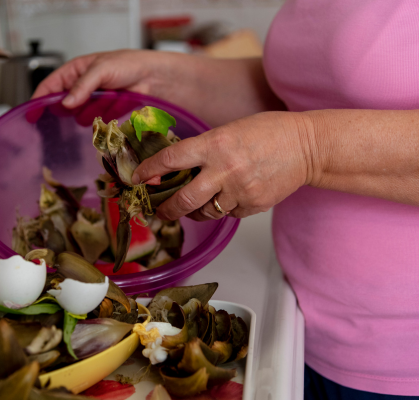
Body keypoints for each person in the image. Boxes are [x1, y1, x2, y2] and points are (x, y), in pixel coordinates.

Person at [33, 1, 419, 398]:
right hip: (297, 319)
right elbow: (304, 94)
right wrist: (158, 76)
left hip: (400, 362)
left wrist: (309, 148)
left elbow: (309, 128)